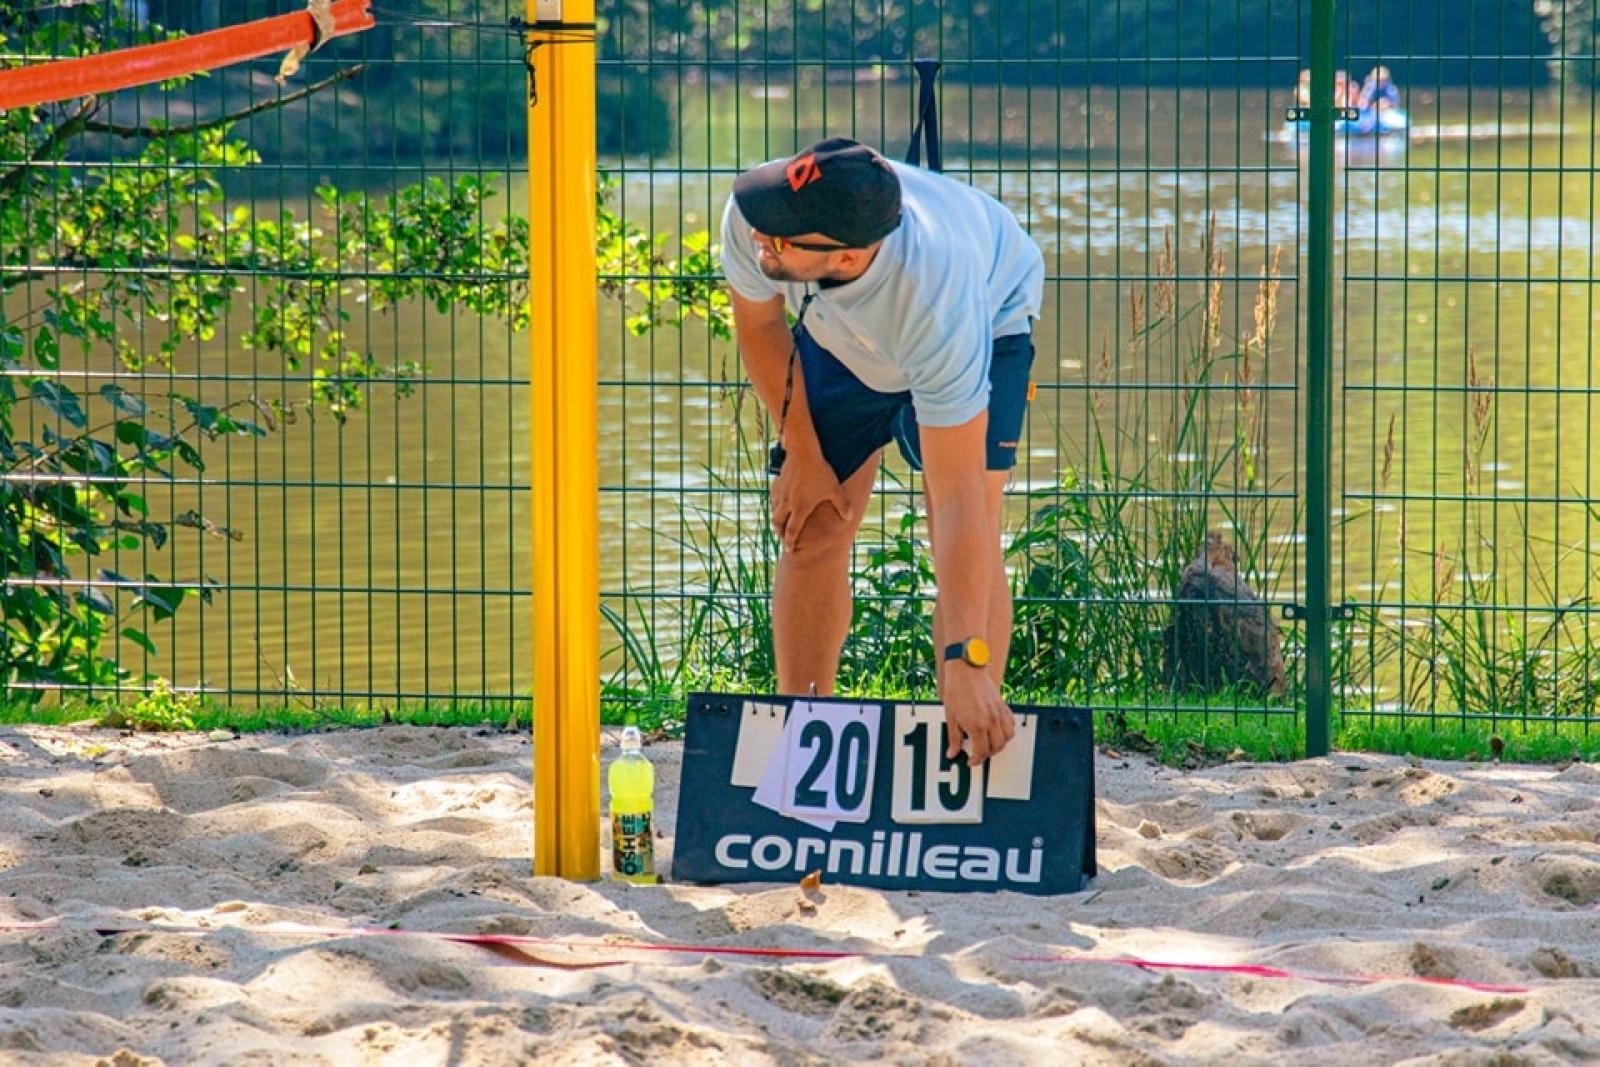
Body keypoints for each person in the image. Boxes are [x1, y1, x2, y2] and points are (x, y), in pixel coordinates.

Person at [719, 137, 1044, 764]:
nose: (762, 235)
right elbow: (760, 326)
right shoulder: (756, 216)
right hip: (840, 337)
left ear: (845, 255)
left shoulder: (937, 300)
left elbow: (956, 503)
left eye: (784, 236)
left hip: (988, 314)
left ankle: (972, 734)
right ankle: (804, 737)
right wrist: (803, 451)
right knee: (813, 522)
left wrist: (964, 659)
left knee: (975, 507)